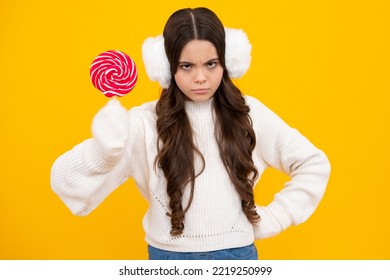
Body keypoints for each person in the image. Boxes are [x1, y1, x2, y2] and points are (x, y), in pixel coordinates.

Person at [50, 7, 331, 260]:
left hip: (237, 258)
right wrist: (102, 153)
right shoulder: (143, 122)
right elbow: (64, 181)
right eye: (186, 66)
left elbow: (313, 163)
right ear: (167, 67)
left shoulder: (250, 114)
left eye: (211, 64)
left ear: (227, 62)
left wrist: (275, 218)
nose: (200, 77)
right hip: (167, 260)